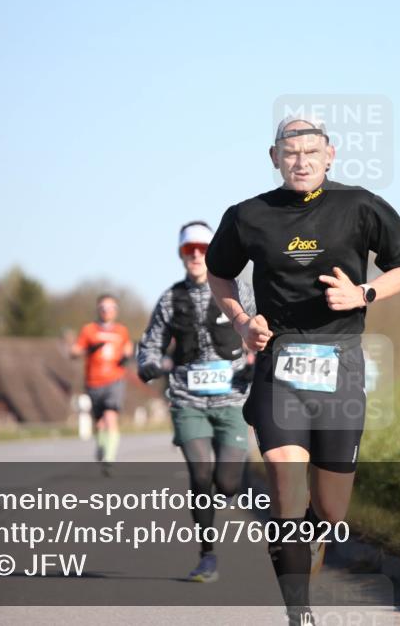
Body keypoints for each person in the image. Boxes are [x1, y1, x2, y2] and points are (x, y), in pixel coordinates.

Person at [205, 117, 400, 624]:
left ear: (330, 155)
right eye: (290, 152)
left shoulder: (360, 205)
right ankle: (298, 612)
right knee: (284, 482)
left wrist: (362, 294)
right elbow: (220, 272)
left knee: (330, 511)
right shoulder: (247, 215)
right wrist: (242, 321)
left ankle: (312, 536)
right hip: (278, 365)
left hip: (341, 365)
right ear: (273, 156)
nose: (300, 161)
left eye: (310, 151)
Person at [137, 220, 256, 583]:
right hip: (188, 401)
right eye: (189, 250)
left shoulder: (239, 291)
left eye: (203, 249)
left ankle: (230, 486)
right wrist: (153, 364)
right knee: (200, 475)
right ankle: (207, 556)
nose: (196, 256)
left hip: (233, 399)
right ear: (181, 255)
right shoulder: (170, 299)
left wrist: (257, 357)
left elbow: (264, 327)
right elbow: (150, 345)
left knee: (228, 484)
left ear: (213, 251)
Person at [70, 293, 134, 475]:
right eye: (103, 308)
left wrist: (126, 356)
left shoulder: (121, 330)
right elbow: (74, 351)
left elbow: (128, 347)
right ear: (98, 310)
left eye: (111, 307)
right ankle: (101, 445)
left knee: (111, 416)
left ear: (116, 311)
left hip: (115, 380)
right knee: (99, 423)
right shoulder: (89, 330)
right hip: (93, 381)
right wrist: (85, 349)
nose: (107, 311)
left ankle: (109, 459)